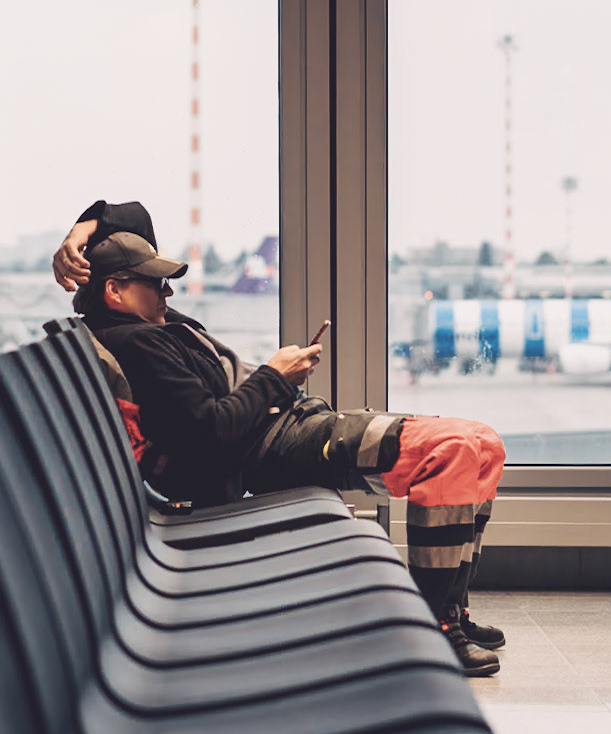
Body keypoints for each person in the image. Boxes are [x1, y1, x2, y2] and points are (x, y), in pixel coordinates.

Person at [54, 200, 506, 676]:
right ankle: (436, 630)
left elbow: (134, 225)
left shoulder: (146, 324)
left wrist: (84, 228)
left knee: (485, 443)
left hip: (287, 423)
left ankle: (453, 612)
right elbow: (211, 430)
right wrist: (276, 375)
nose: (168, 294)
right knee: (450, 448)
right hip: (274, 442)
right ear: (115, 291)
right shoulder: (139, 344)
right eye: (155, 284)